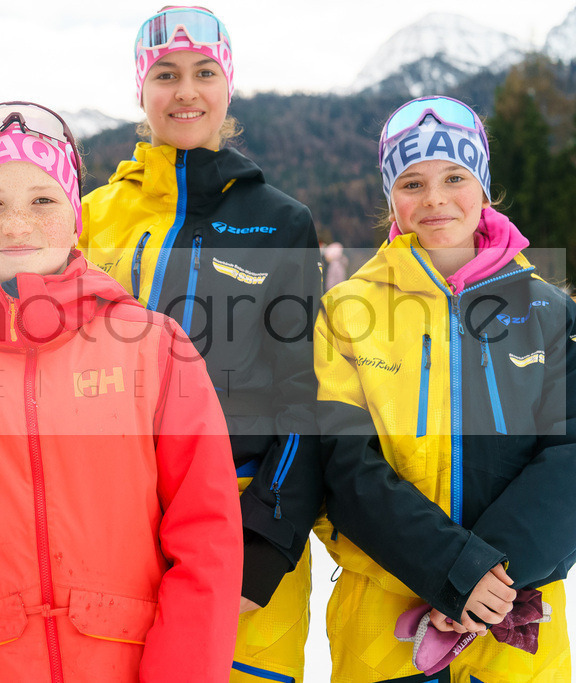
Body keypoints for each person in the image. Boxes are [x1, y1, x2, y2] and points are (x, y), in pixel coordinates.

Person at [0, 102, 242, 682]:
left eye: (41, 200)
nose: (15, 225)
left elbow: (206, 541)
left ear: (76, 215)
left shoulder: (154, 351)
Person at [79, 6, 323, 681]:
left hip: (235, 539)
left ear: (227, 85)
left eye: (203, 72)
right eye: (166, 74)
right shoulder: (91, 217)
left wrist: (265, 544)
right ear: (141, 89)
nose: (185, 91)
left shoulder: (280, 222)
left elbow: (304, 399)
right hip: (104, 533)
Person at [315, 95, 576, 681]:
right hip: (384, 625)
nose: (434, 198)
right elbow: (341, 463)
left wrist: (493, 576)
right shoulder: (345, 312)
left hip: (513, 620)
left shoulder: (547, 311)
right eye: (412, 182)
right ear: (391, 199)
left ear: (483, 184)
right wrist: (452, 568)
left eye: (454, 176)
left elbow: (570, 454)